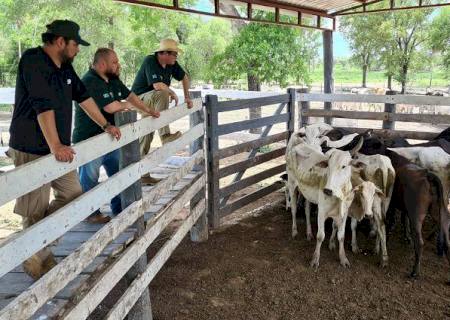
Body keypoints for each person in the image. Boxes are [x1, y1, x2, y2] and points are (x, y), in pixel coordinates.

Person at [7, 20, 121, 280]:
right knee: (34, 208)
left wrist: (105, 124)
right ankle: (41, 263)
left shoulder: (66, 67)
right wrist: (55, 145)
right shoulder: (33, 61)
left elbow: (83, 97)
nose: (78, 49)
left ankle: (35, 253)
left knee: (73, 195)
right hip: (30, 146)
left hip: (58, 147)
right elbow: (42, 106)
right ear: (60, 42)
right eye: (75, 44)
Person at [73, 48, 160, 222]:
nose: (118, 65)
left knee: (118, 174)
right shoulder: (90, 80)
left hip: (110, 137)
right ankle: (91, 214)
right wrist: (126, 105)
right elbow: (110, 107)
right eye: (114, 62)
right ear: (102, 64)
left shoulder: (112, 80)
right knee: (89, 178)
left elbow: (131, 96)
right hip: (89, 139)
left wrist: (148, 110)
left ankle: (120, 209)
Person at [131, 38, 193, 185]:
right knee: (163, 93)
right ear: (164, 53)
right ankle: (165, 135)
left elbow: (184, 77)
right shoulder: (150, 61)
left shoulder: (172, 64)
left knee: (146, 135)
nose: (176, 57)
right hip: (138, 99)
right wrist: (171, 92)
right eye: (174, 54)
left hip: (153, 104)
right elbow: (158, 85)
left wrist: (187, 97)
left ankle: (142, 175)